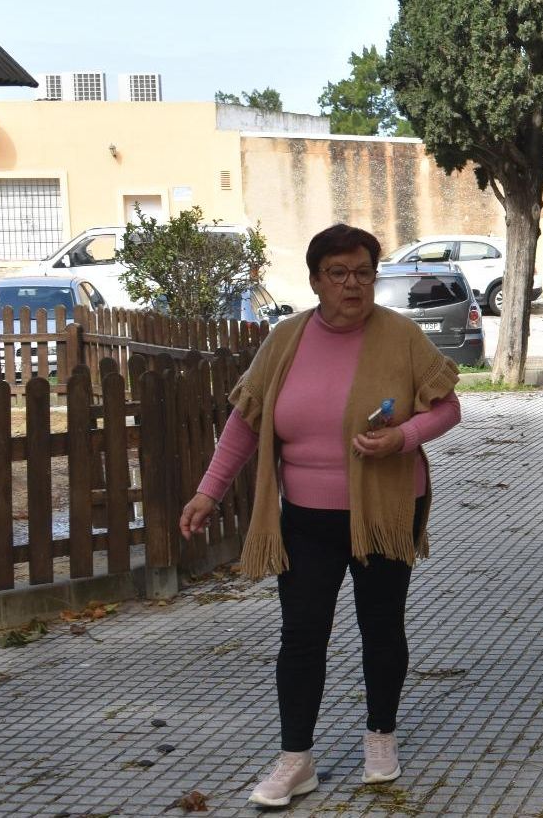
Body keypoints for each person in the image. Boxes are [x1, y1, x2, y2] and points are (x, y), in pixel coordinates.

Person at [179, 224, 461, 809]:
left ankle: (380, 737)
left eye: (363, 272)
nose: (352, 284)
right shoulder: (284, 340)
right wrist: (210, 491)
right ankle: (295, 759)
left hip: (385, 511)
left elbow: (448, 407)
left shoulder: (402, 336)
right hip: (305, 518)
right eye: (338, 273)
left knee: (381, 626)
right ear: (315, 280)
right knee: (301, 635)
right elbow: (245, 421)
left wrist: (404, 437)